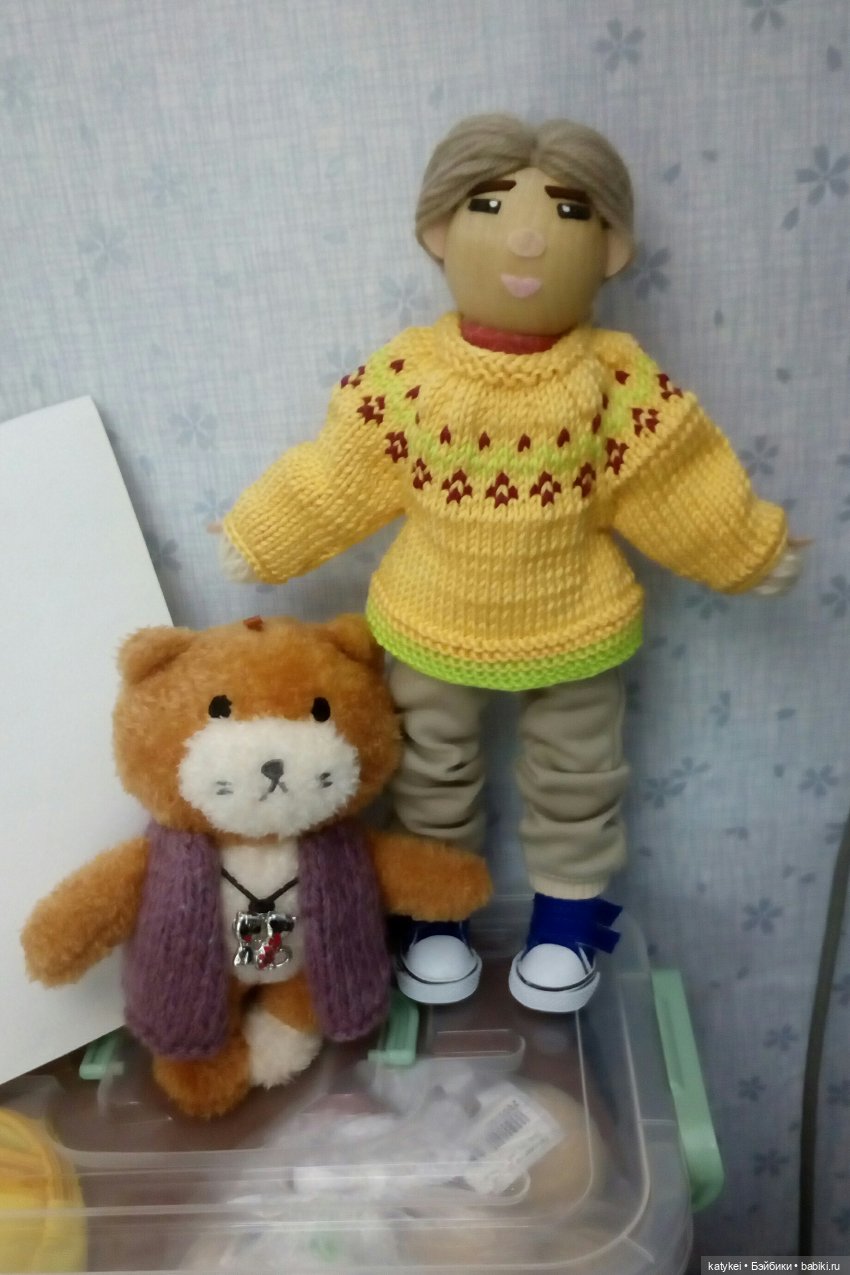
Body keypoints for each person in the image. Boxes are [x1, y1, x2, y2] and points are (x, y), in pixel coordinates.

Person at [219, 114, 803, 1013]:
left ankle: (566, 924)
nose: (528, 238)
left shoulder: (613, 380)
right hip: (431, 617)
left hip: (577, 620)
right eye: (490, 206)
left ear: (611, 248)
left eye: (567, 212)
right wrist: (265, 533)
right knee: (429, 771)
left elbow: (673, 478)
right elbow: (340, 472)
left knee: (579, 778)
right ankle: (435, 917)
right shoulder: (410, 376)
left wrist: (744, 546)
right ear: (439, 232)